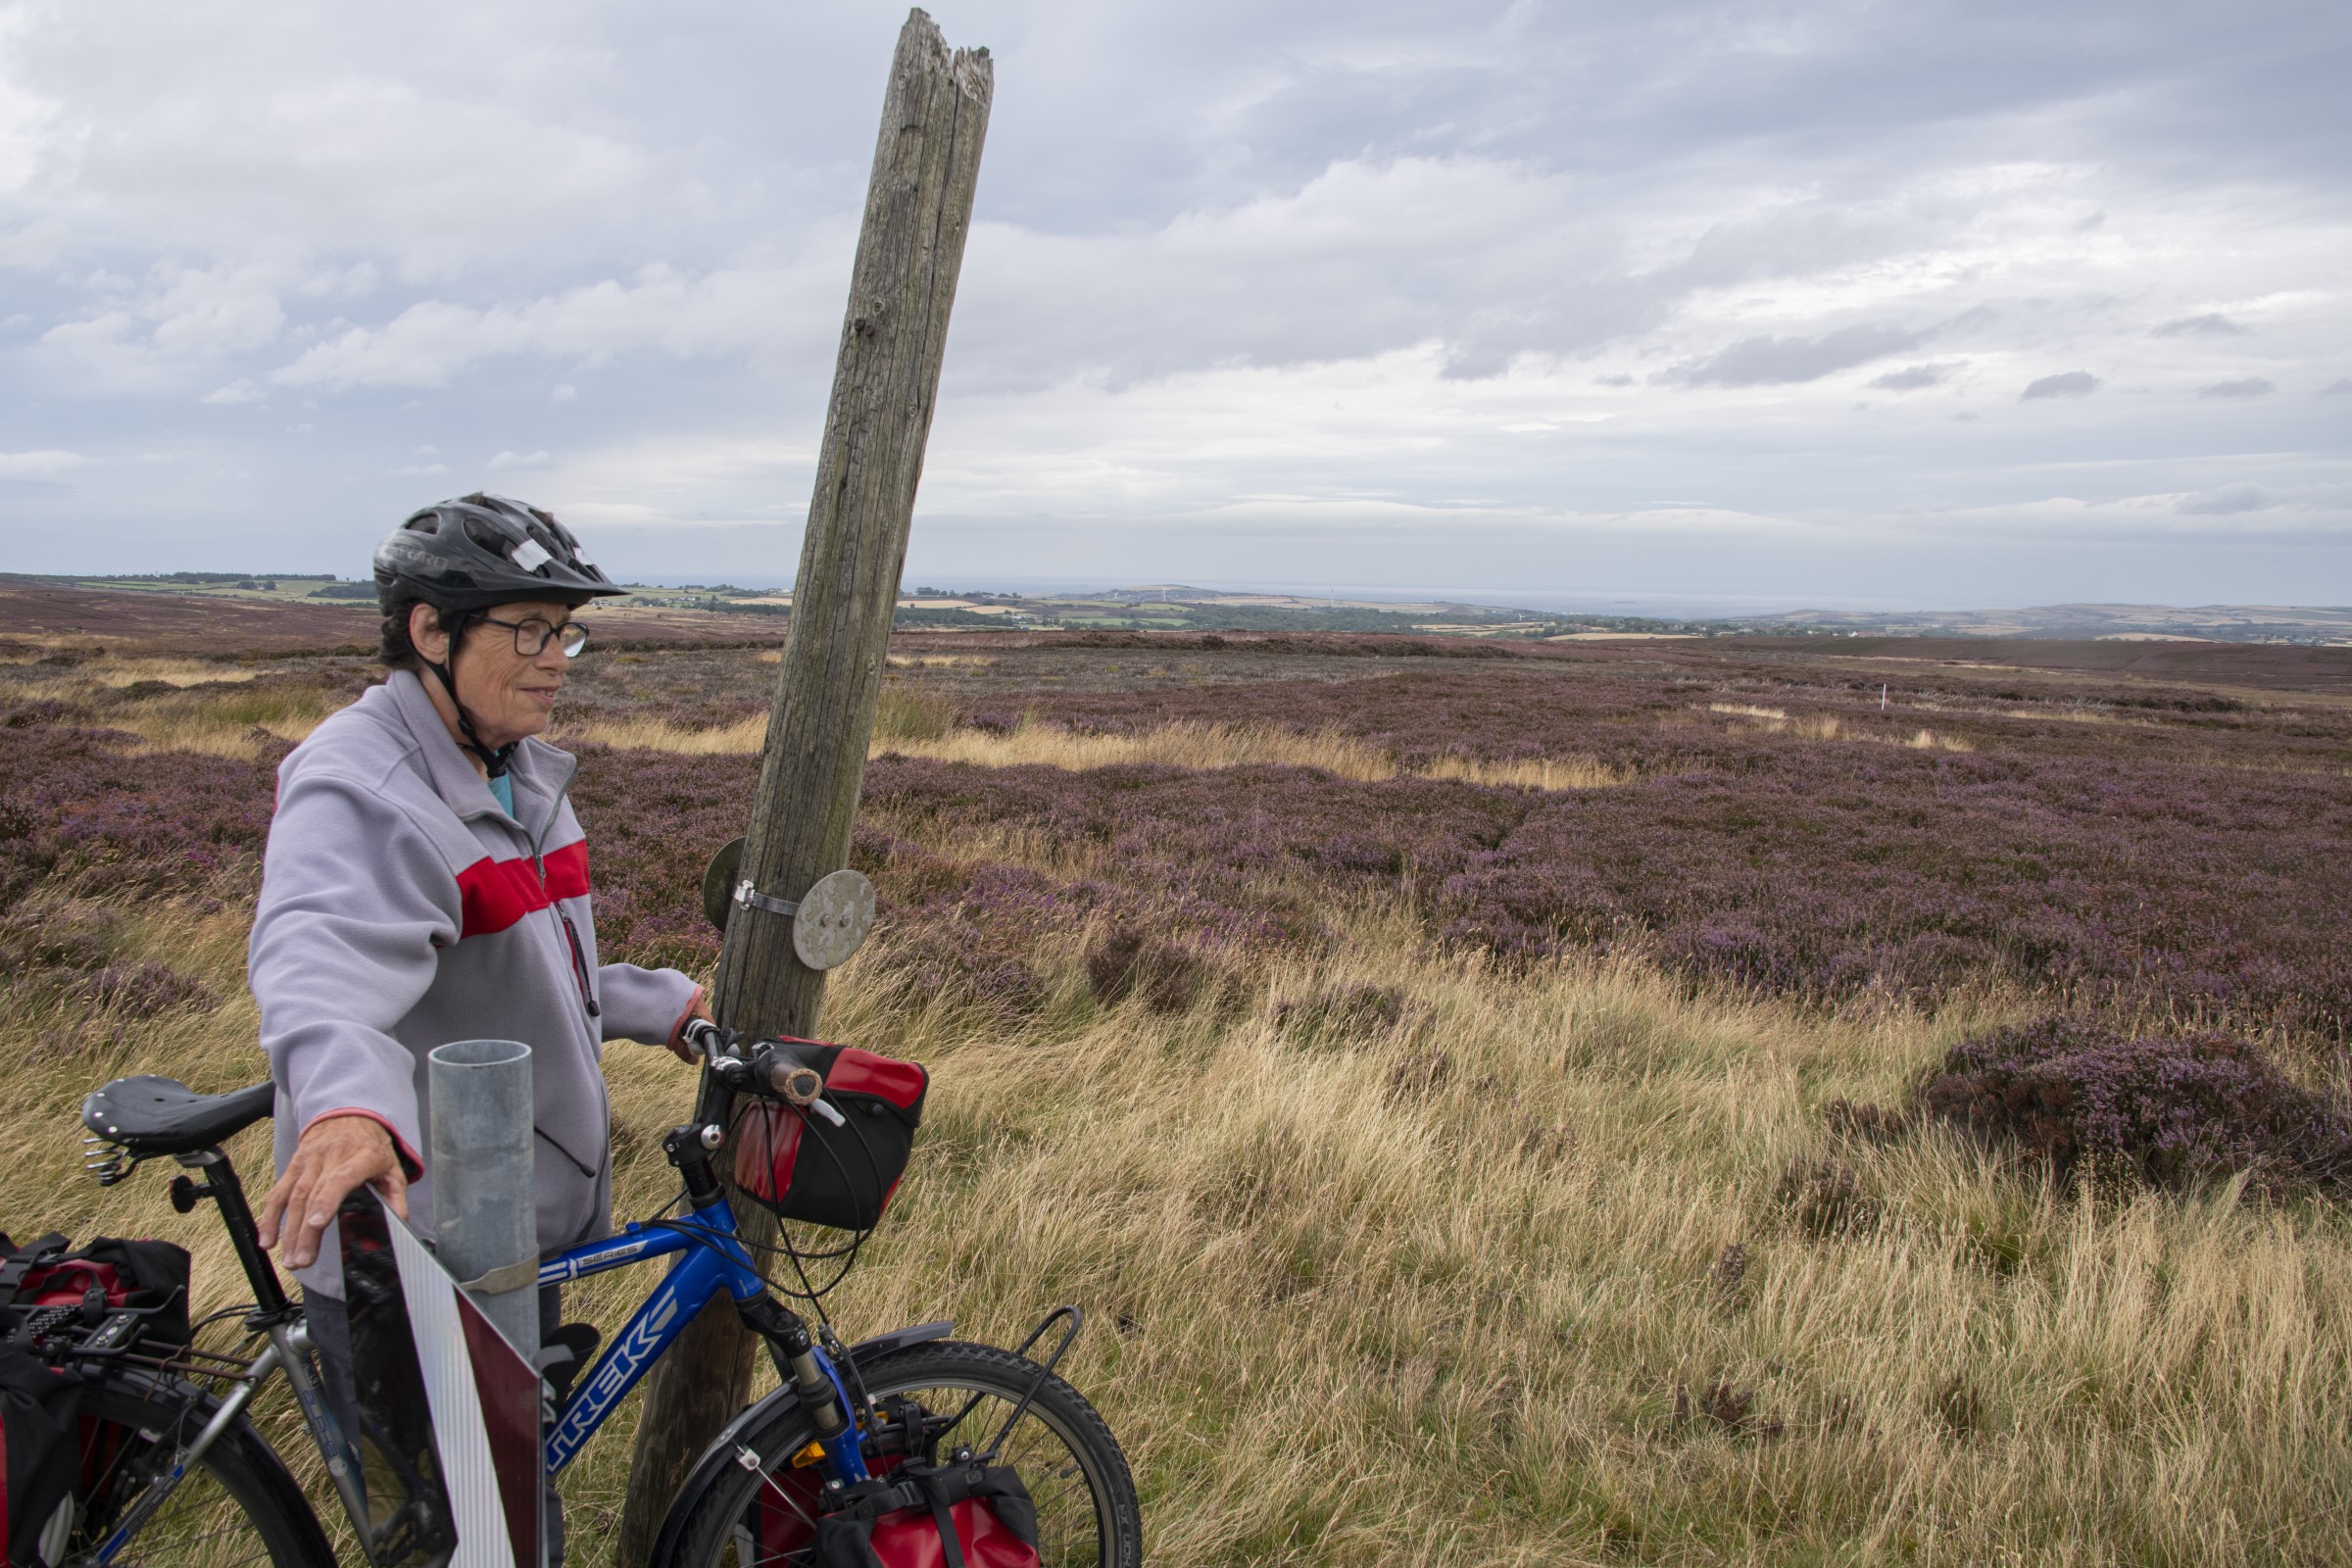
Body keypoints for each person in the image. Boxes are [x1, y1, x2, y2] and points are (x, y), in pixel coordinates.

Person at [248, 494, 709, 1555]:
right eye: (530, 629)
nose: (558, 658)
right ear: (428, 631)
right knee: (478, 1545)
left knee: (509, 1521)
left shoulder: (516, 772)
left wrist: (663, 1004)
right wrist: (350, 1107)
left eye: (568, 631)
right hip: (423, 1261)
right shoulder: (360, 783)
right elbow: (318, 958)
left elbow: (532, 954)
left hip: (508, 1244)